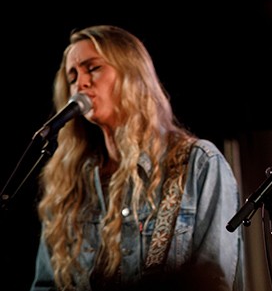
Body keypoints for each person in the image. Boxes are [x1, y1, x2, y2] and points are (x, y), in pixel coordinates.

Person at [29, 25, 244, 291]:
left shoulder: (198, 164)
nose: (81, 83)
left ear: (131, 73)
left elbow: (214, 279)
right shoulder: (68, 184)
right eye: (72, 76)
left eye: (92, 68)